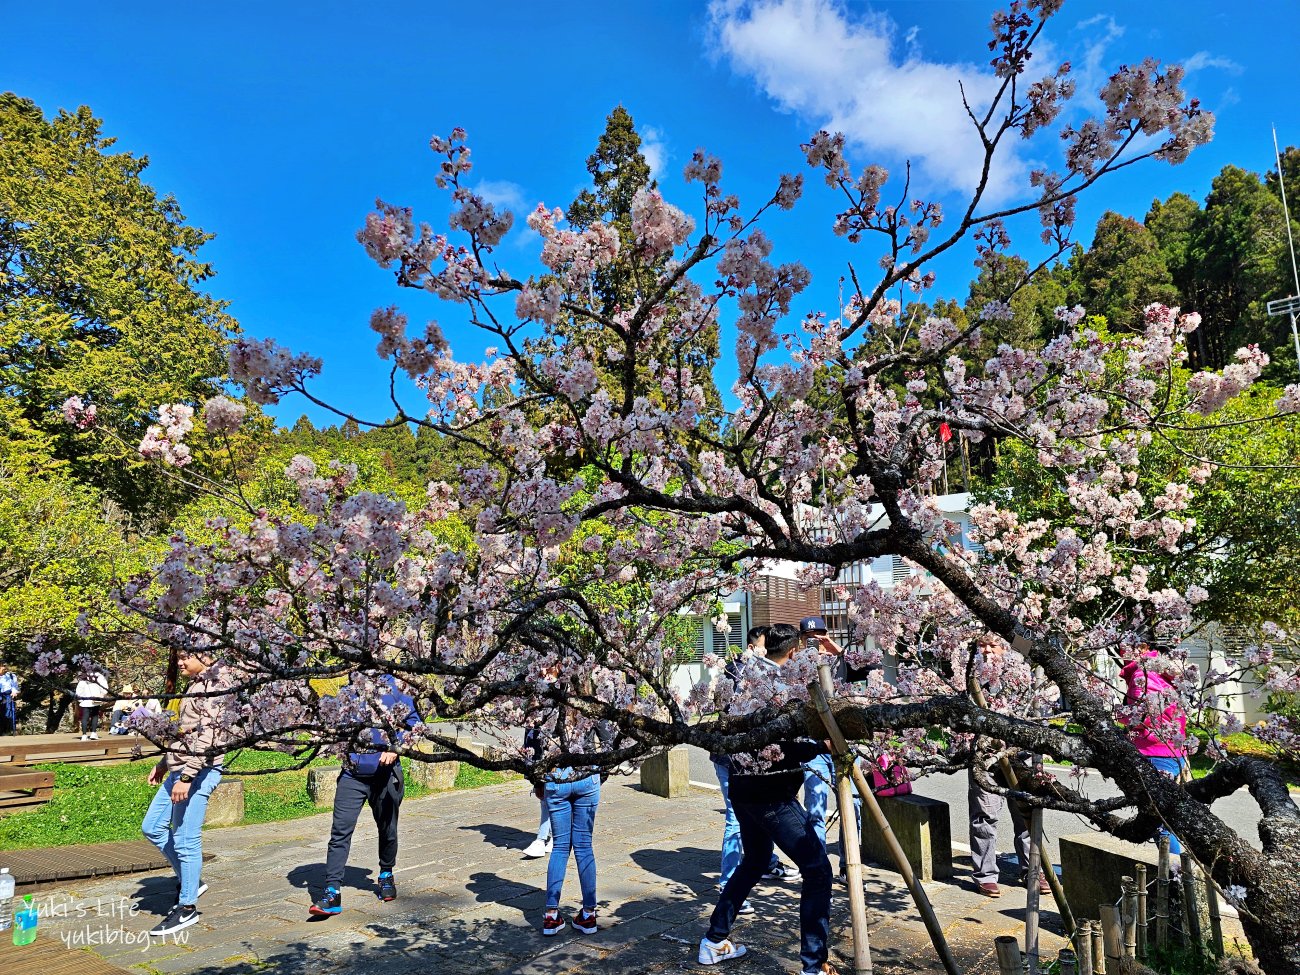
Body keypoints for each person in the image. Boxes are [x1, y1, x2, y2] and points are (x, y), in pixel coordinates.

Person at [699, 623, 835, 975]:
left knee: (756, 860)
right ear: (791, 653)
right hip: (770, 792)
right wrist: (821, 747)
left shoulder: (744, 675)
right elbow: (780, 749)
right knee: (818, 870)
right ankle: (813, 966)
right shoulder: (778, 686)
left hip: (741, 787)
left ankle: (714, 941)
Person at [141, 649, 235, 936]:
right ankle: (189, 878)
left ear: (205, 656)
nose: (179, 662)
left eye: (185, 657)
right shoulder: (195, 683)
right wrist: (164, 762)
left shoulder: (216, 685)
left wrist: (186, 776)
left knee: (185, 839)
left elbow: (208, 737)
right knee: (152, 827)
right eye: (179, 657)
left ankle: (187, 908)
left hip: (199, 771)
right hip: (179, 769)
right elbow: (187, 732)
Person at [311, 674, 422, 917]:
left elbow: (416, 726)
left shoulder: (397, 688)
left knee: (387, 829)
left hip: (385, 774)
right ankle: (332, 891)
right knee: (340, 832)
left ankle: (385, 874)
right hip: (352, 774)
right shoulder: (347, 692)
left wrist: (396, 747)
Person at [709, 625, 795, 911]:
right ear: (755, 644)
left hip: (751, 758)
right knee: (736, 818)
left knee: (755, 819)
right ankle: (728, 882)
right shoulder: (739, 669)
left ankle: (767, 863)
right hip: (732, 757)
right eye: (763, 642)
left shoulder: (763, 671)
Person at [537, 703, 612, 938]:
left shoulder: (545, 701)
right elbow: (609, 742)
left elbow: (534, 746)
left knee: (560, 847)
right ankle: (588, 914)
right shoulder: (592, 701)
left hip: (556, 776)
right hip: (586, 774)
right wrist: (600, 775)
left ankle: (551, 915)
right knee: (584, 846)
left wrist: (538, 783)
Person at [797, 616, 862, 874]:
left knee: (853, 807)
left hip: (845, 746)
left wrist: (834, 648)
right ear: (801, 640)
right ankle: (818, 868)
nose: (814, 642)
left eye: (819, 636)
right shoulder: (795, 667)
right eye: (808, 638)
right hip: (813, 748)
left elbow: (865, 669)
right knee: (815, 808)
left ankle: (850, 867)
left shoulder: (839, 662)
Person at [1120, 645, 1190, 856]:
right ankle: (1180, 873)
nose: (1122, 651)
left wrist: (1119, 715)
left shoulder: (1141, 674)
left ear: (1141, 648)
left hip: (1151, 753)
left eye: (1125, 645)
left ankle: (1176, 875)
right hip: (1174, 752)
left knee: (1158, 822)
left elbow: (1139, 717)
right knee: (1169, 817)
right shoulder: (1169, 675)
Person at [521, 717, 554, 859]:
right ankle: (552, 836)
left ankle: (542, 839)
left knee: (550, 798)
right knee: (546, 799)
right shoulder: (533, 714)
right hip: (539, 758)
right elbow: (530, 744)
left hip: (557, 758)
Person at [74, 668, 111, 740]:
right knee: (95, 715)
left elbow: (79, 691)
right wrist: (101, 695)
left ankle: (84, 735)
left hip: (85, 700)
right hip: (96, 699)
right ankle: (93, 733)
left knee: (85, 717)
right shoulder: (99, 677)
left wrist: (81, 700)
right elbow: (105, 688)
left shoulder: (83, 677)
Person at [0, 665, 19, 734]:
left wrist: (14, 692)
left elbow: (14, 685)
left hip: (8, 696)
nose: (4, 669)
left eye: (4, 667)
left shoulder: (11, 675)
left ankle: (8, 730)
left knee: (8, 712)